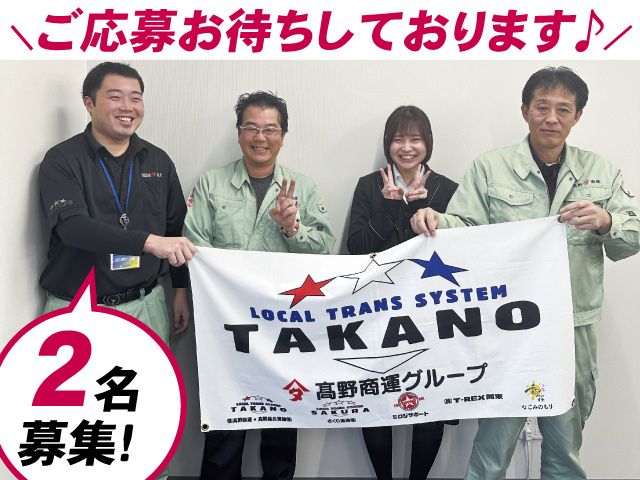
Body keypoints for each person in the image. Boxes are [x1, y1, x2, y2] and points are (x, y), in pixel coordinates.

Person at [410, 67, 640, 480]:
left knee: (565, 447)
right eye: (542, 107)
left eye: (563, 109)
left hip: (572, 327)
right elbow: (465, 229)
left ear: (577, 116)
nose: (551, 118)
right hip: (508, 325)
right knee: (491, 448)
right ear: (525, 110)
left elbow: (632, 237)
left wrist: (606, 221)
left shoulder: (601, 171)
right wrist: (435, 220)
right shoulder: (490, 168)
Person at [38, 62, 196, 480]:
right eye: (115, 96)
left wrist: (179, 290)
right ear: (89, 103)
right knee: (78, 424)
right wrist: (148, 242)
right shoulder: (62, 160)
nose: (128, 106)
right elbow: (73, 228)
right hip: (78, 308)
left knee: (148, 414)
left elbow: (175, 229)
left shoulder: (157, 160)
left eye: (136, 97)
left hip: (147, 305)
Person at [183, 91, 335, 480]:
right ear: (239, 133)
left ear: (283, 136)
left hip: (284, 324)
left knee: (282, 418)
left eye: (271, 129)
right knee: (225, 420)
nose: (260, 137)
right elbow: (194, 245)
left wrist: (292, 227)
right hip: (227, 322)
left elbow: (324, 250)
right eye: (251, 127)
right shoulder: (212, 183)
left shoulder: (303, 187)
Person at [347, 105, 458, 480]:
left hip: (430, 310)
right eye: (398, 139)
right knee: (376, 398)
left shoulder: (445, 188)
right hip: (378, 309)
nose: (407, 147)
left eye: (415, 139)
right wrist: (389, 206)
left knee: (431, 398)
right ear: (387, 143)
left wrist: (421, 206)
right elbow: (356, 248)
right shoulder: (369, 186)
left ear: (428, 143)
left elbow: (455, 249)